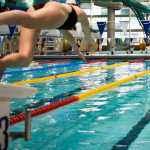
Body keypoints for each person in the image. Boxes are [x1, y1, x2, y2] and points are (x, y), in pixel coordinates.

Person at [0, 1, 96, 79]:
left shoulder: (62, 21)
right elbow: (87, 32)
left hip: (41, 8)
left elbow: (68, 35)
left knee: (25, 59)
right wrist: (90, 44)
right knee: (30, 20)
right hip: (55, 9)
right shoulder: (80, 14)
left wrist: (77, 51)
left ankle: (3, 64)